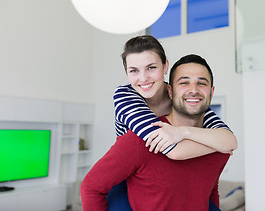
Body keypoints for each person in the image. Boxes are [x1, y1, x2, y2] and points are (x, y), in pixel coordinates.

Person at [81, 54, 231, 211]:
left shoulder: (218, 144)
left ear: (211, 92)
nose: (193, 90)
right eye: (184, 83)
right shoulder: (142, 138)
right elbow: (91, 187)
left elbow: (210, 192)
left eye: (202, 83)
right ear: (170, 92)